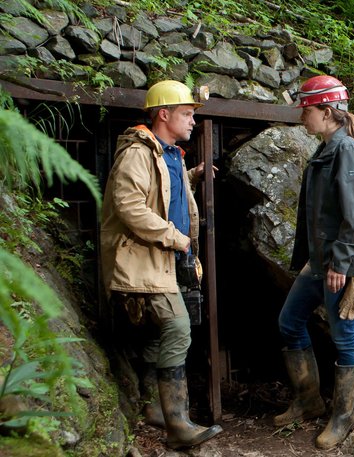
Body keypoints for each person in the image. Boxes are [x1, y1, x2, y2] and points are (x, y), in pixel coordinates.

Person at [99, 80, 222, 449]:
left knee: (159, 336)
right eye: (186, 114)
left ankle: (154, 407)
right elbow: (130, 206)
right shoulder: (138, 153)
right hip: (144, 262)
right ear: (163, 115)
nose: (193, 123)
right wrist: (174, 237)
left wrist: (194, 177)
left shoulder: (169, 154)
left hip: (164, 262)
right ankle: (178, 426)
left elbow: (165, 191)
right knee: (178, 329)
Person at [275, 75, 354, 449]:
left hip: (343, 261)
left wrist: (340, 264)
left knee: (343, 336)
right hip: (321, 260)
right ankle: (308, 401)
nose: (302, 117)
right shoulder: (327, 148)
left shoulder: (347, 151)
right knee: (289, 321)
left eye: (306, 110)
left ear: (326, 111)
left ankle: (343, 417)